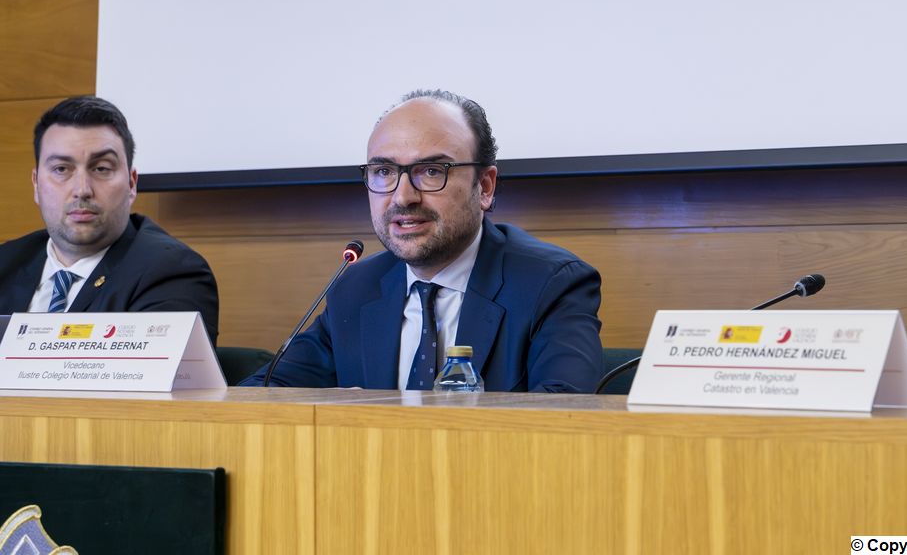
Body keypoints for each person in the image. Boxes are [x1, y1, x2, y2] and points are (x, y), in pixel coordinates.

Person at [243, 89, 603, 391]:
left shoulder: (549, 285)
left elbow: (566, 417)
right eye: (384, 171)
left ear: (485, 187)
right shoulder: (356, 288)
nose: (403, 197)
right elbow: (263, 394)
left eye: (432, 171)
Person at [0, 96, 219, 343]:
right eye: (61, 169)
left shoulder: (172, 272)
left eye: (101, 168)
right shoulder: (5, 262)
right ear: (36, 185)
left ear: (132, 184)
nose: (82, 190)